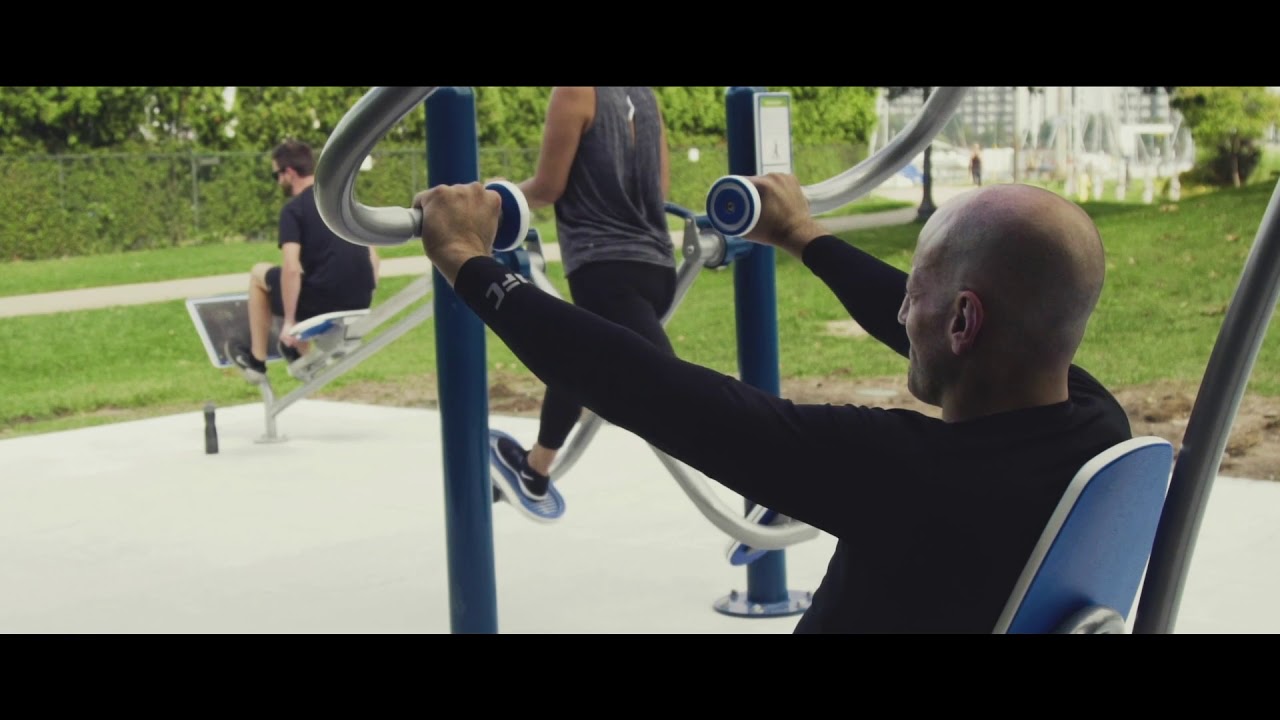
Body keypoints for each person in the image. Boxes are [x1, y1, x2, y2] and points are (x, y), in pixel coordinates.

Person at [411, 174, 1131, 633]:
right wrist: (801, 235)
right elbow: (931, 315)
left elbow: (646, 388)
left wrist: (467, 261)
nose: (900, 308)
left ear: (964, 322)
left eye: (916, 289)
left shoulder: (904, 474)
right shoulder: (1100, 432)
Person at [487, 87, 678, 516]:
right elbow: (659, 188)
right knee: (576, 359)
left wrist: (486, 201)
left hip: (603, 268)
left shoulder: (574, 92)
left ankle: (773, 486)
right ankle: (534, 472)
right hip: (657, 268)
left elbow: (548, 187)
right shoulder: (645, 96)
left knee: (674, 398)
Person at [226, 140, 381, 382]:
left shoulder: (293, 210)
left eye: (276, 174)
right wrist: (365, 293)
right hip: (360, 300)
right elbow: (373, 256)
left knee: (259, 274)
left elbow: (291, 269)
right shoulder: (342, 200)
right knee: (312, 279)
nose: (278, 182)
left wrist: (289, 323)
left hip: (321, 305)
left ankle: (257, 362)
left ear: (289, 173)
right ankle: (296, 353)